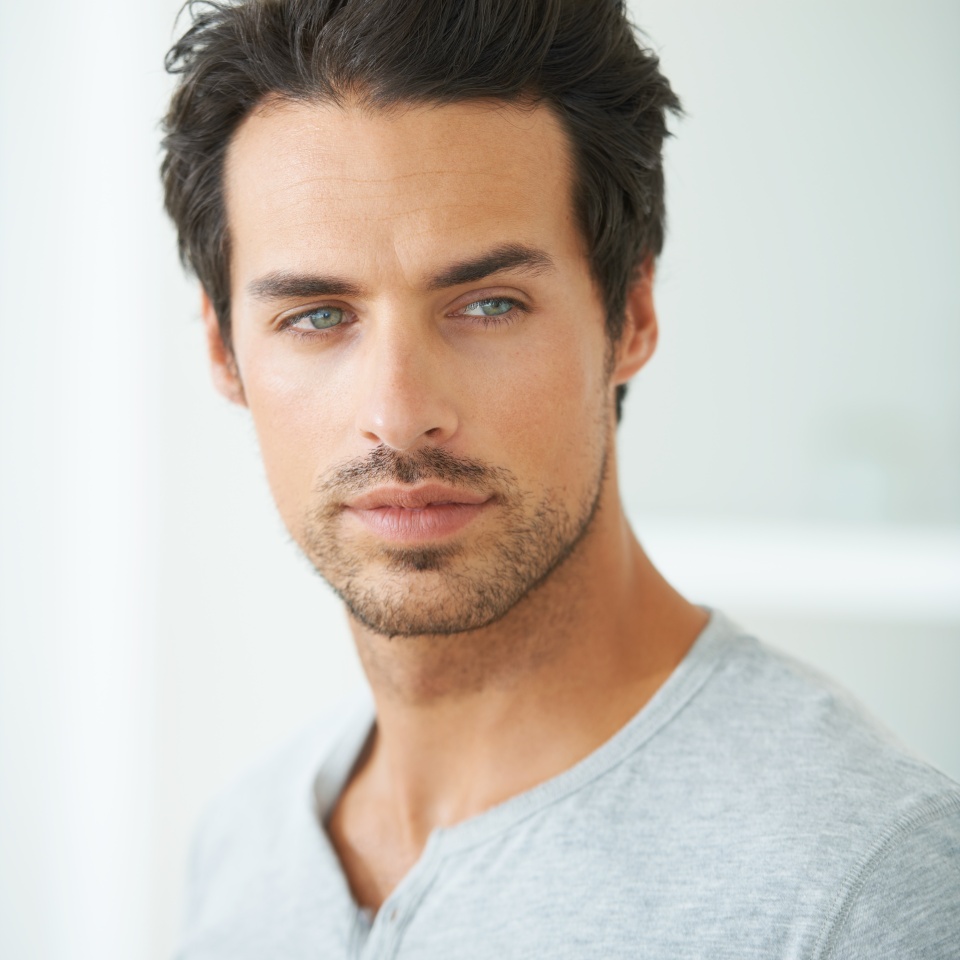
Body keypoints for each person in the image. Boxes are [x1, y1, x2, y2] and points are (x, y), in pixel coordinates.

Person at [161, 1, 960, 956]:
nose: (400, 410)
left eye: (488, 304)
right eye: (318, 316)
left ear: (629, 315)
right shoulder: (242, 854)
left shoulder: (865, 881)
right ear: (223, 350)